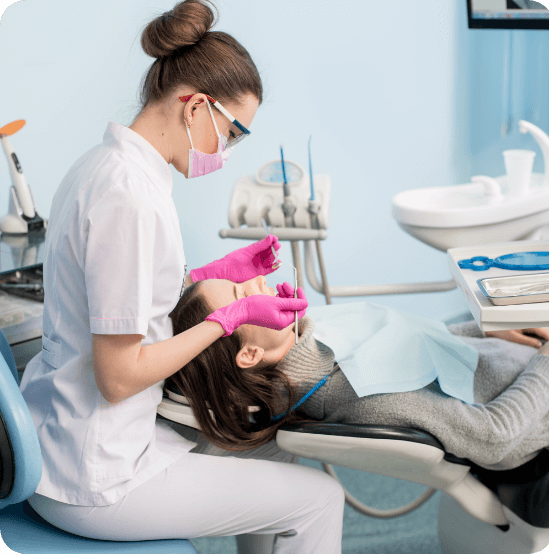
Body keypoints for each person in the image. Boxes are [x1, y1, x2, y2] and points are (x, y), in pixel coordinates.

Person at [20, 1, 344, 552]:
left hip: (65, 437)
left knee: (275, 446)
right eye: (233, 132)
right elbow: (119, 376)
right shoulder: (131, 199)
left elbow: (126, 295)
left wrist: (217, 274)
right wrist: (228, 318)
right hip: (97, 477)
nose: (228, 150)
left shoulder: (106, 166)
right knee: (321, 499)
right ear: (195, 107)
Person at [168, 275, 549, 473]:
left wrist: (482, 330)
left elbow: (416, 348)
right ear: (250, 354)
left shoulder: (309, 339)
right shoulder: (356, 390)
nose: (256, 282)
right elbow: (493, 436)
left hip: (513, 359)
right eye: (241, 295)